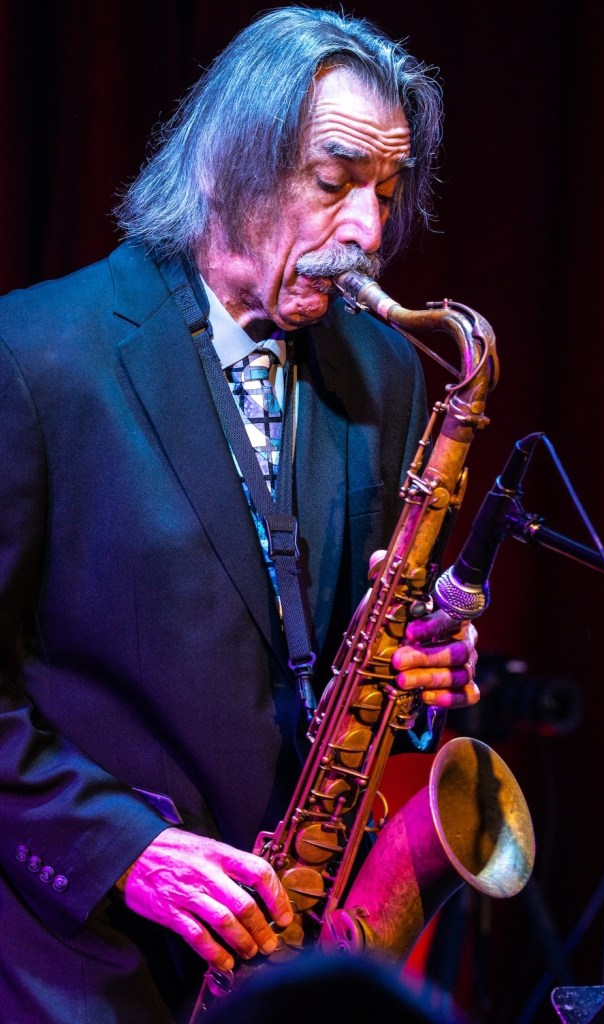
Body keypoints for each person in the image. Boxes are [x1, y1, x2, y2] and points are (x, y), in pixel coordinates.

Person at [0, 8, 481, 1023]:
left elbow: (353, 653)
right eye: (335, 181)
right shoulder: (33, 354)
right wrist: (124, 852)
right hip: (82, 960)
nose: (368, 231)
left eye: (385, 190)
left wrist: (420, 671)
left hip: (282, 958)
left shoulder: (385, 372)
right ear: (231, 163)